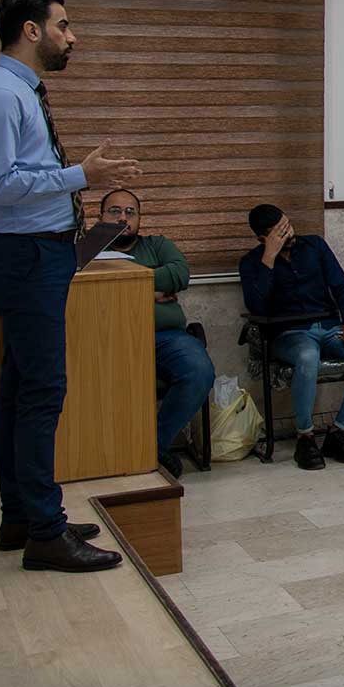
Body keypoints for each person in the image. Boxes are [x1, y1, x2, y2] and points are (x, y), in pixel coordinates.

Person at [0, 0, 137, 573]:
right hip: (25, 255)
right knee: (41, 393)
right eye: (63, 25)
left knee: (19, 388)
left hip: (42, 254)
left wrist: (76, 179)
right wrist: (79, 175)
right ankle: (45, 530)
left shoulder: (22, 92)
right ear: (31, 31)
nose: (72, 36)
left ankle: (22, 515)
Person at [238, 204, 344, 470]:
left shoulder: (315, 246)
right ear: (263, 238)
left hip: (330, 327)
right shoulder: (251, 262)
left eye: (288, 225)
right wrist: (269, 258)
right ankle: (305, 437)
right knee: (307, 357)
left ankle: (338, 432)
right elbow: (257, 307)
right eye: (280, 232)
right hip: (289, 333)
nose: (289, 233)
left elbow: (341, 286)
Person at [96, 189, 215, 477]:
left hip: (165, 337)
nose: (123, 218)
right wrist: (149, 289)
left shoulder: (157, 245)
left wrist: (127, 282)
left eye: (130, 212)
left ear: (139, 219)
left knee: (199, 371)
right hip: (109, 340)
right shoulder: (88, 252)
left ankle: (151, 448)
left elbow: (179, 273)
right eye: (114, 211)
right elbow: (90, 294)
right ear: (100, 217)